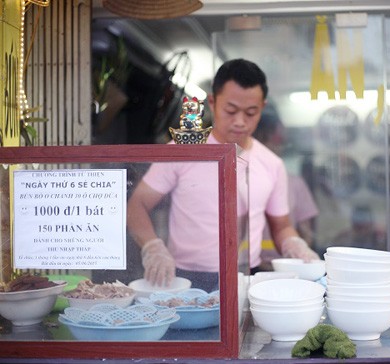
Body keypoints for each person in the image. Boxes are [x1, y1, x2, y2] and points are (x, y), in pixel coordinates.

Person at [127, 59, 320, 292]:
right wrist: (152, 247)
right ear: (212, 102)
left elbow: (281, 226)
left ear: (262, 107)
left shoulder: (272, 164)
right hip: (186, 278)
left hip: (247, 276)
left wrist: (294, 244)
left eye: (251, 112)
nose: (240, 122)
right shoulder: (183, 149)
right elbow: (136, 205)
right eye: (230, 110)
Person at [252, 105, 319, 270]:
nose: (279, 145)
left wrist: (300, 254)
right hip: (243, 268)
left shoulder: (295, 183)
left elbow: (306, 233)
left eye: (280, 140)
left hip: (282, 267)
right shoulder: (235, 180)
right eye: (275, 139)